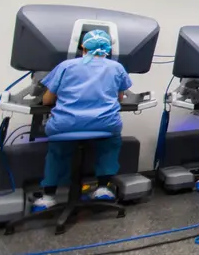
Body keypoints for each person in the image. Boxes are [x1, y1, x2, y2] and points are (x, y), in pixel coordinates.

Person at [32, 30, 132, 212]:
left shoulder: (66, 66)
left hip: (66, 125)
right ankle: (103, 187)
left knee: (57, 153)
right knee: (109, 146)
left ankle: (48, 196)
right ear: (108, 49)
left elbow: (47, 100)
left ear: (83, 47)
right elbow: (120, 98)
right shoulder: (116, 68)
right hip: (105, 125)